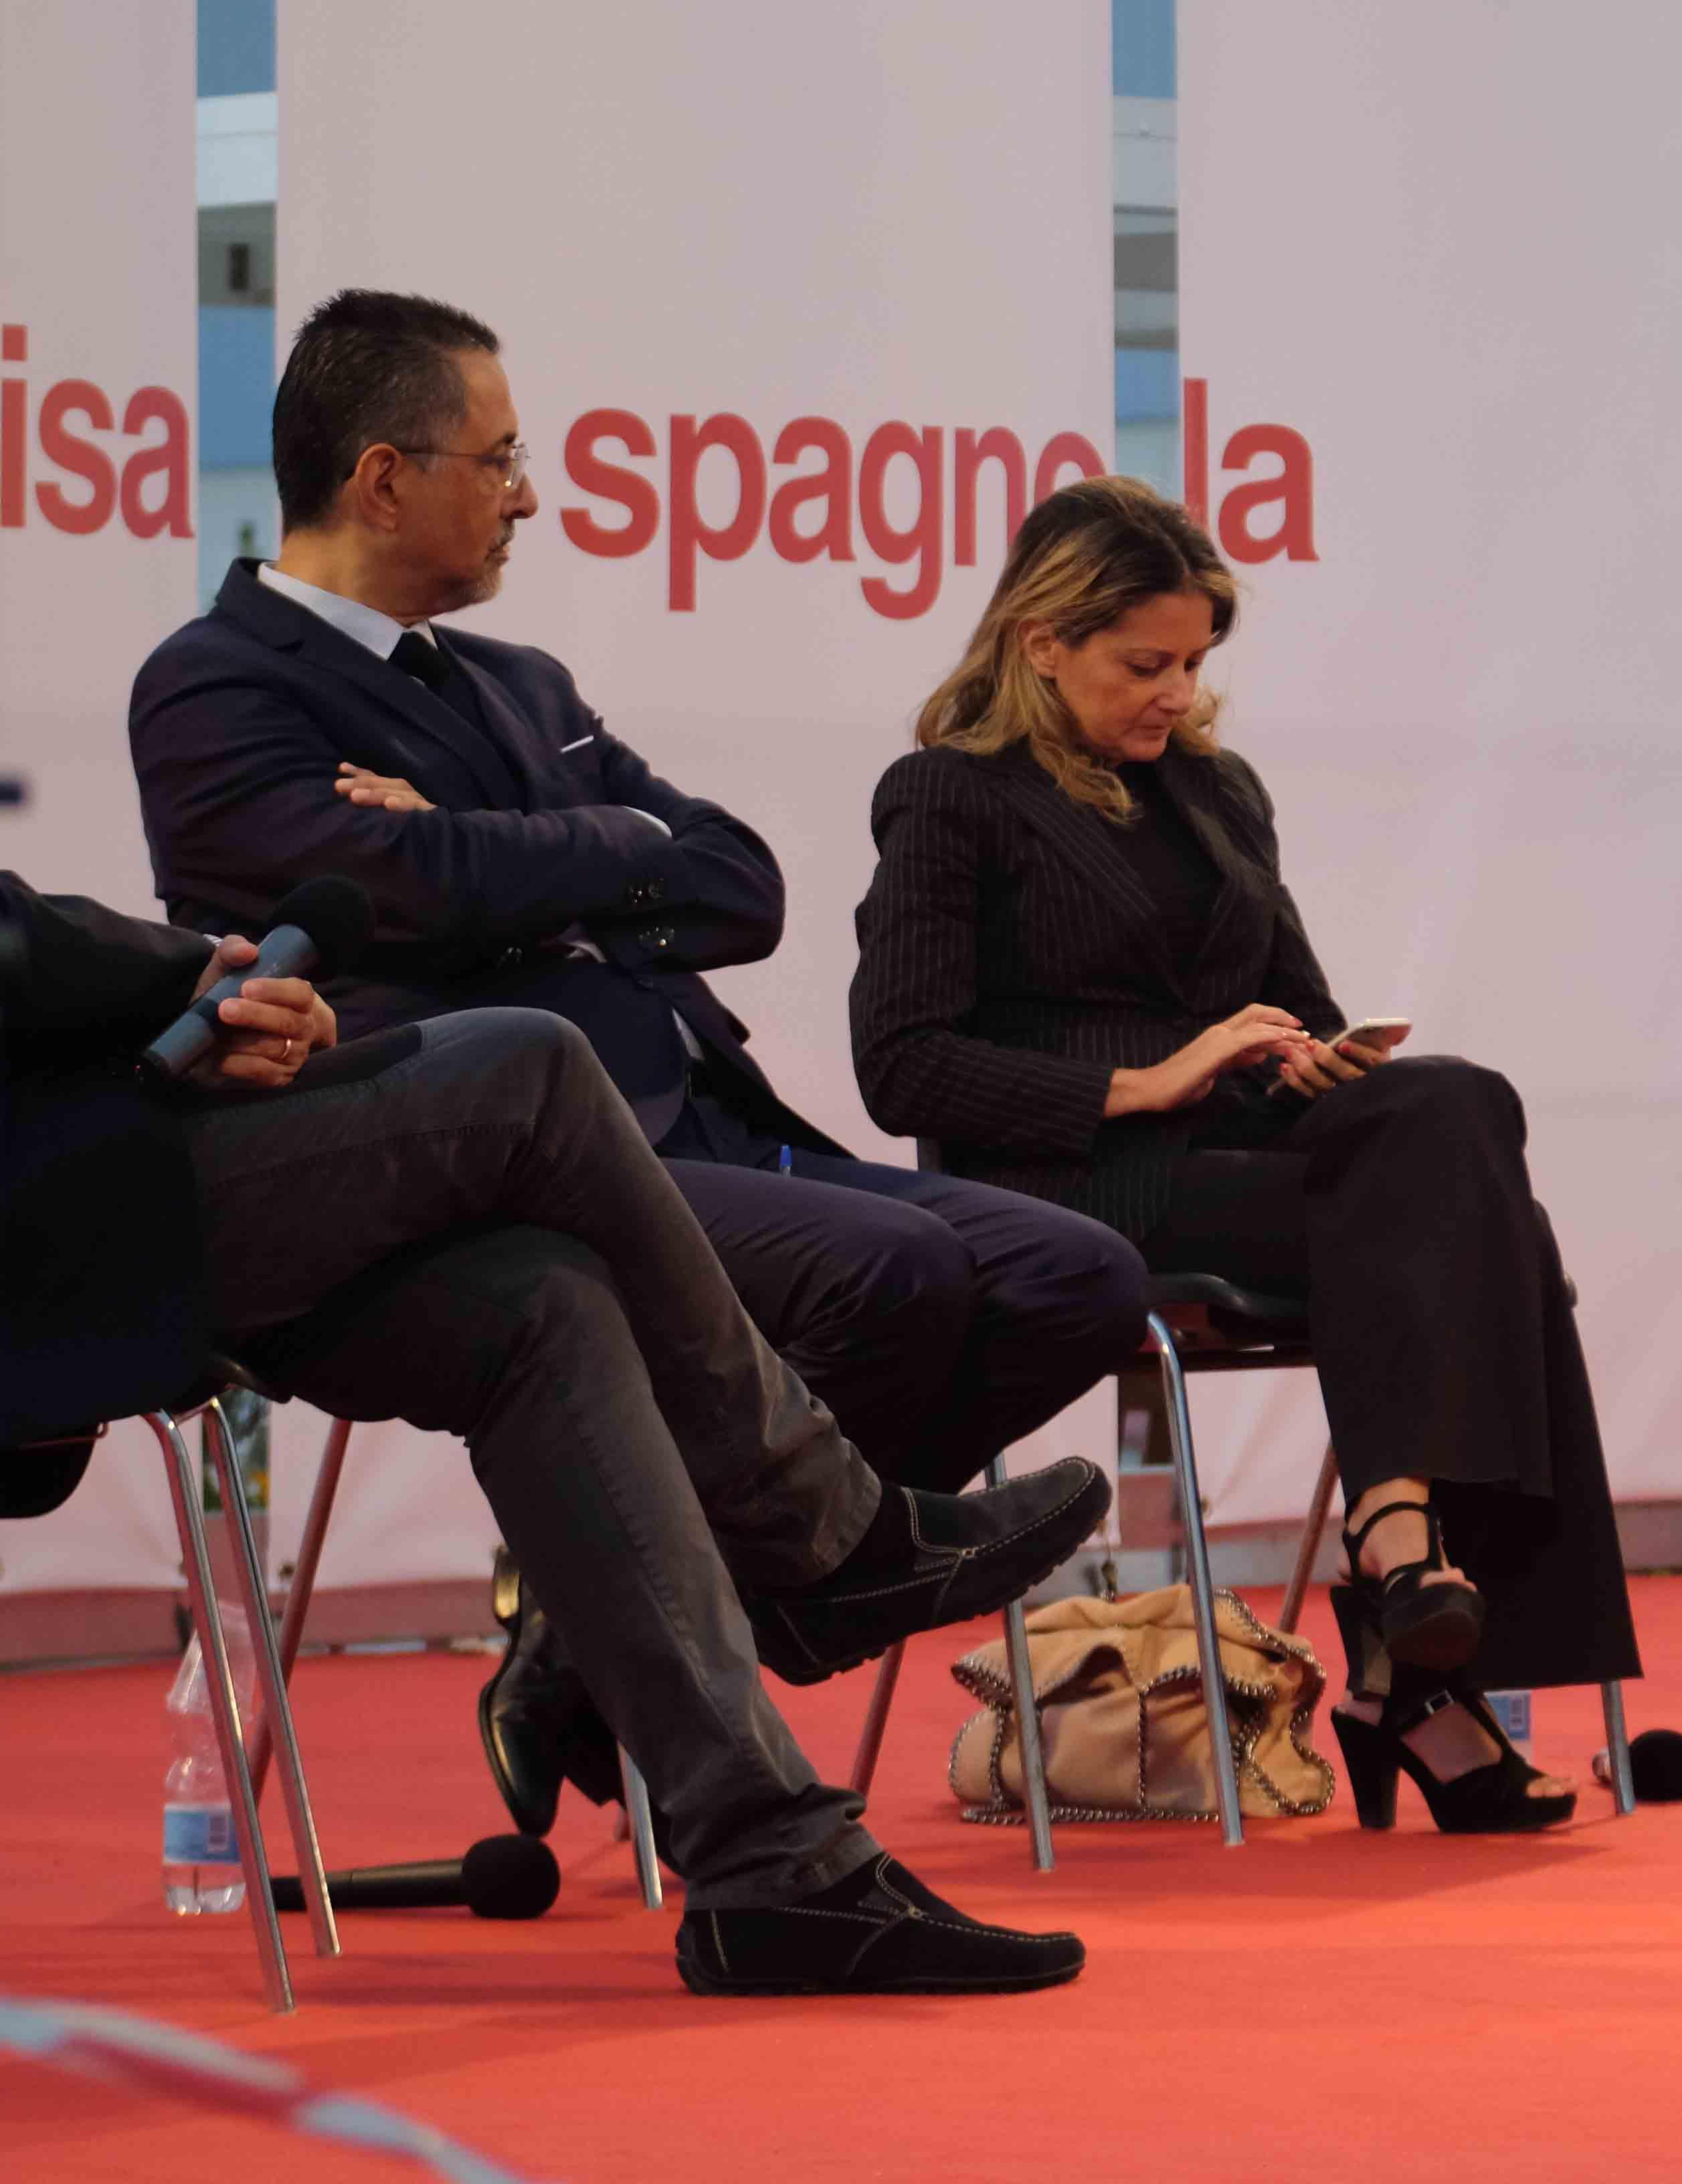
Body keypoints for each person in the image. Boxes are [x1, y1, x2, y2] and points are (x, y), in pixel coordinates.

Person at [122, 290, 1147, 1832]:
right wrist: (603, 845)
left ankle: (596, 1653)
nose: (528, 496)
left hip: (697, 1113)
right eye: (501, 459)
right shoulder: (215, 682)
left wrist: (528, 854)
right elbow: (381, 891)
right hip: (488, 1157)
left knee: (1075, 1277)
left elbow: (736, 887)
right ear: (384, 478)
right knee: (891, 1277)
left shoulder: (520, 685)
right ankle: (771, 1590)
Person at [0, 874, 1106, 1993]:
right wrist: (189, 976)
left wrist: (223, 1008)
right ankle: (822, 1536)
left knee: (542, 1299)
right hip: (59, 1215)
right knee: (531, 1064)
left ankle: (775, 1865)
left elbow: (719, 873)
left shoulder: (528, 736)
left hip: (114, 1163)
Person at [849, 477, 1639, 1834]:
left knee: (1456, 1104)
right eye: (1144, 664)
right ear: (1043, 642)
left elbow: (1299, 1009)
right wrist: (1144, 1081)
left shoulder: (1216, 791)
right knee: (1497, 1233)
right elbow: (904, 1065)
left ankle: (1401, 1546)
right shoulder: (949, 796)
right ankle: (1410, 1646)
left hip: (1247, 1157)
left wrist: (1307, 1058)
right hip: (1079, 1186)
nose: (1177, 693)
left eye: (1194, 662)